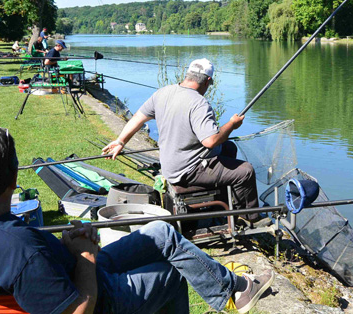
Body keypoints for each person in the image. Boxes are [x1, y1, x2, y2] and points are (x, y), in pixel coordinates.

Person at [0, 125, 275, 314]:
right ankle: (235, 289)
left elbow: (27, 270)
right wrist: (84, 256)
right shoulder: (19, 249)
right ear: (13, 179)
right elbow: (78, 309)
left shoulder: (7, 241)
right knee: (171, 275)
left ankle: (235, 288)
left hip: (70, 272)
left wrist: (66, 246)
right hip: (97, 296)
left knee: (160, 232)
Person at [102, 58, 269, 228]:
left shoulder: (163, 92)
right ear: (208, 81)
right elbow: (210, 141)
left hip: (170, 164)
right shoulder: (199, 103)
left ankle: (226, 202)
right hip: (188, 170)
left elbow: (138, 117)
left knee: (228, 147)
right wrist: (232, 125)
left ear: (188, 75)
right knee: (246, 171)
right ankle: (250, 217)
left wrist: (120, 141)